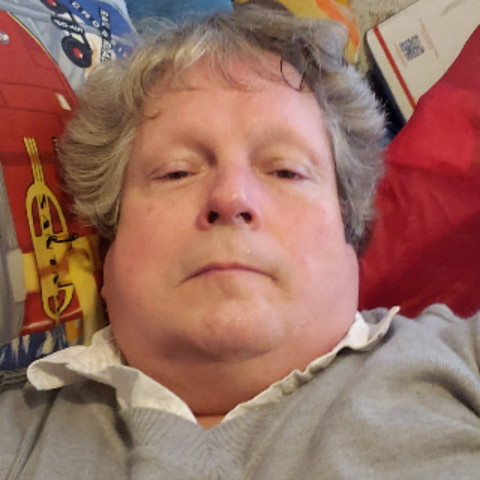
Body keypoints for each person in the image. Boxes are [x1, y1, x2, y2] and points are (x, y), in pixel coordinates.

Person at [1, 4, 479, 479]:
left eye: (286, 171)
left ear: (350, 233)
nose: (231, 197)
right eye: (176, 172)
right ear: (107, 253)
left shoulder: (462, 361)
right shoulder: (16, 432)